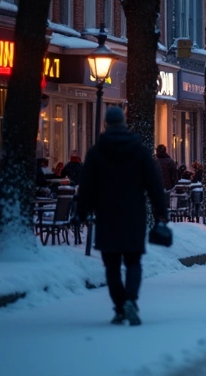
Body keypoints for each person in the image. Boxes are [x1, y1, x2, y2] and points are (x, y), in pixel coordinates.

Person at [74, 107, 168, 326]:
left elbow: (86, 186)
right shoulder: (140, 151)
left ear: (106, 124)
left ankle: (119, 306)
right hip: (133, 214)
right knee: (133, 261)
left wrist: (81, 212)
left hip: (106, 215)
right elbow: (155, 185)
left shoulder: (96, 152)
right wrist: (160, 214)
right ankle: (131, 301)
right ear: (125, 123)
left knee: (112, 265)